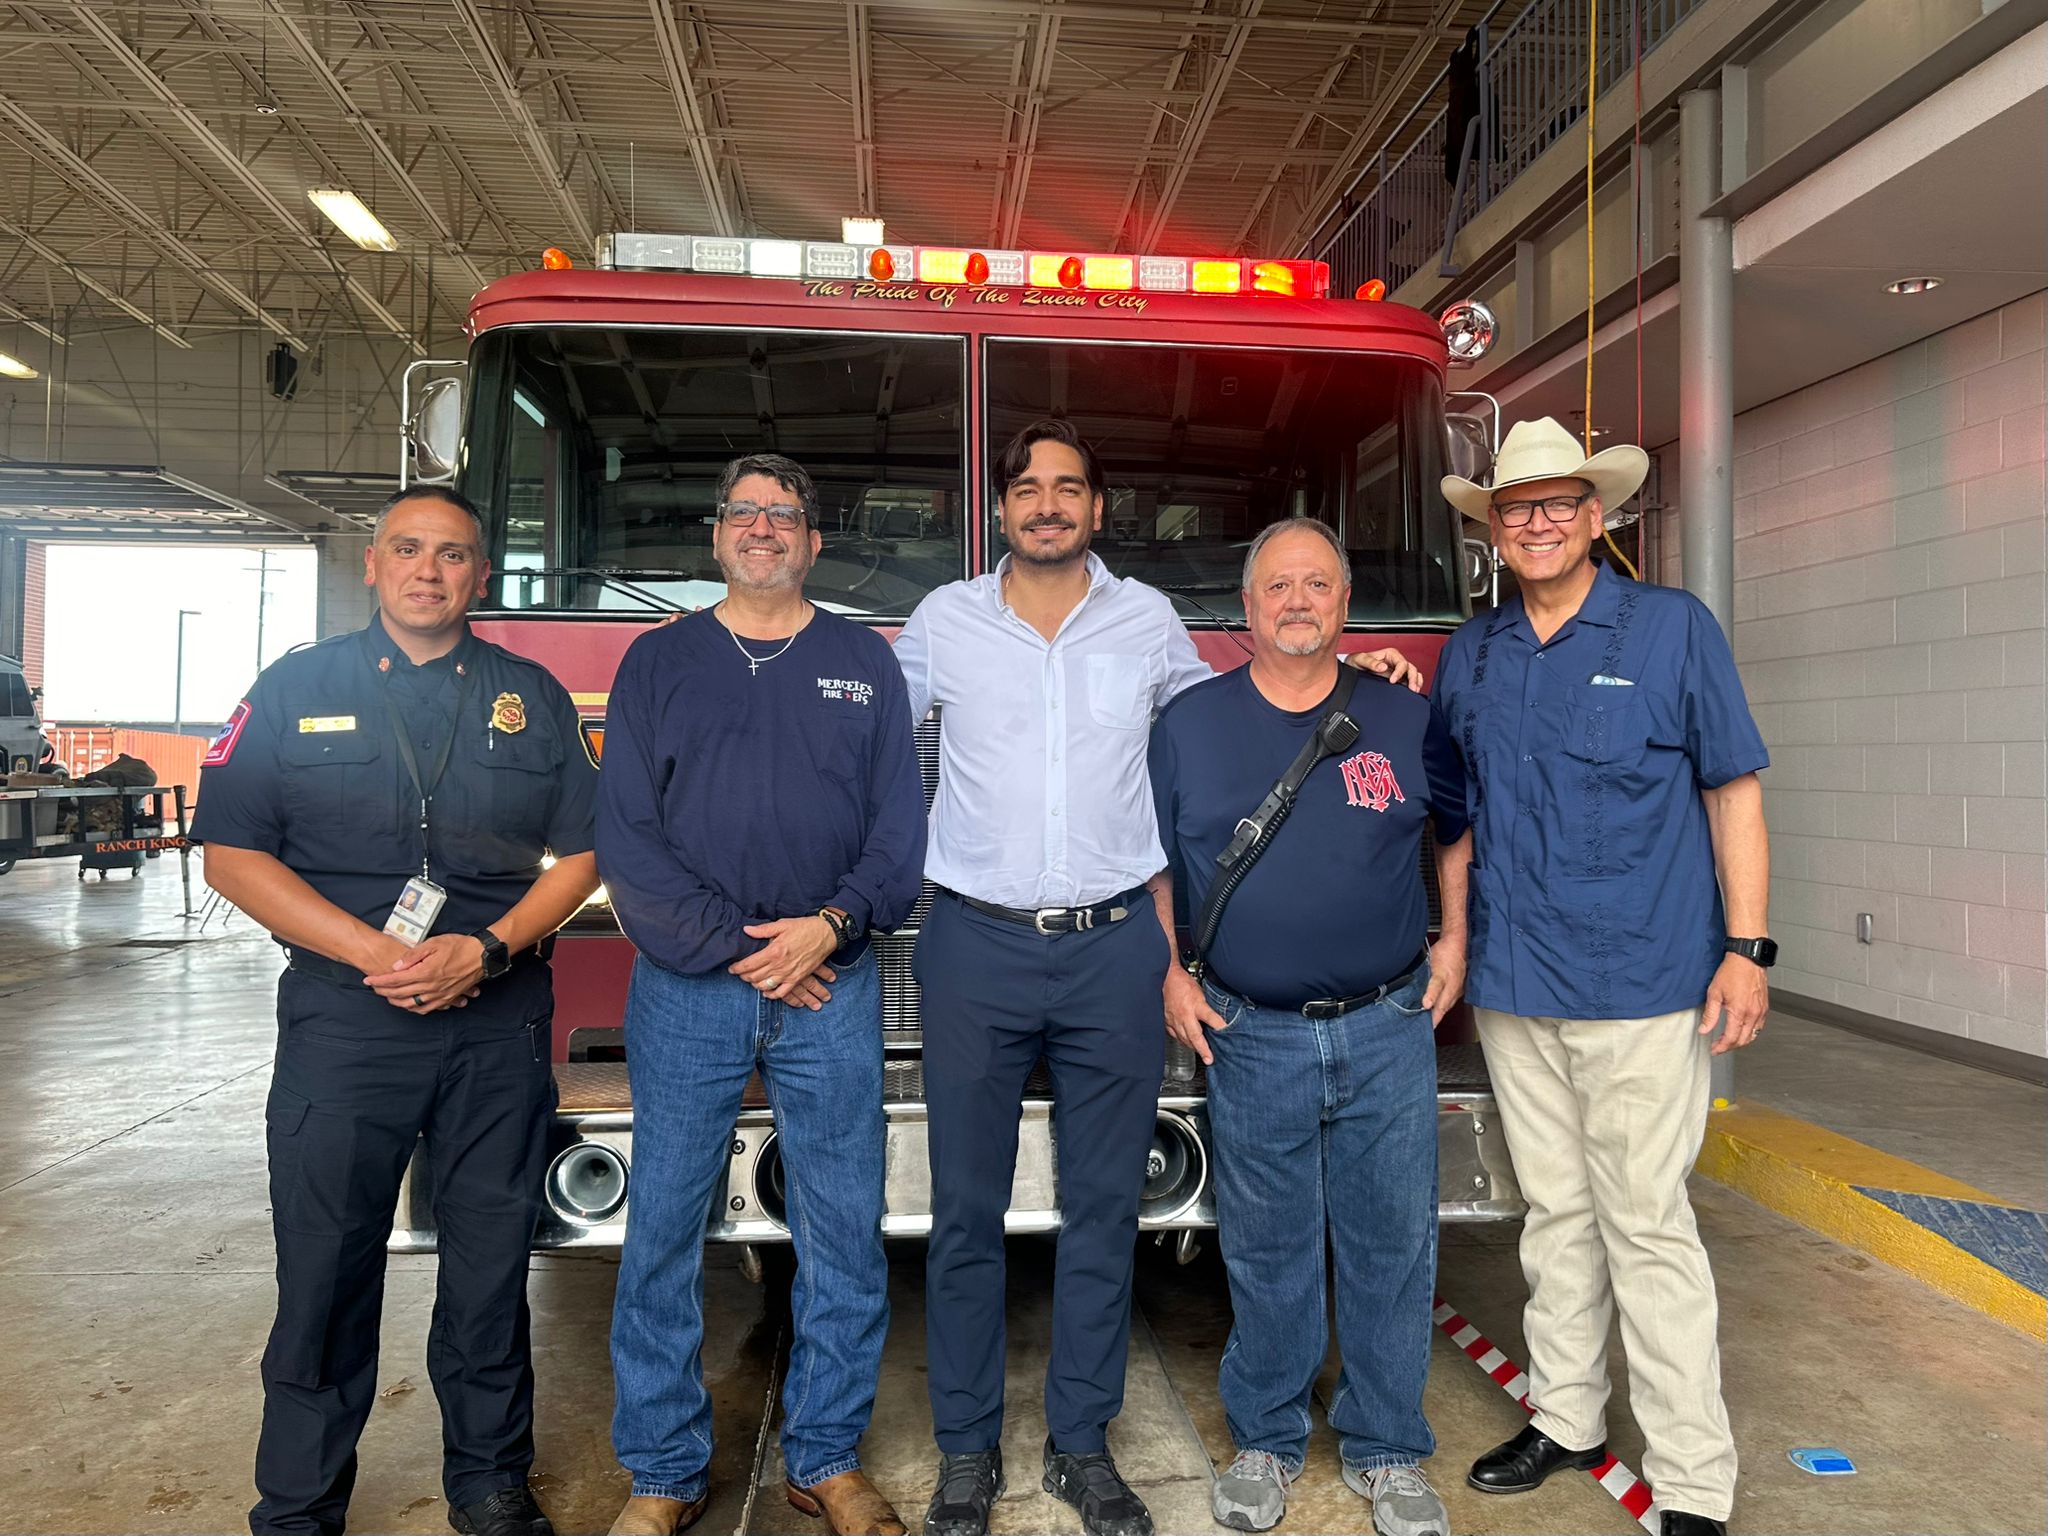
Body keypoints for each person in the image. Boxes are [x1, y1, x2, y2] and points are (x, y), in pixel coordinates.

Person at [895, 421, 1422, 1536]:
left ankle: (1080, 1449)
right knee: (962, 1215)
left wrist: (1362, 673)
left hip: (1112, 951)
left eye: (1069, 488)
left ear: (1097, 508)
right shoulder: (943, 623)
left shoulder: (1147, 624)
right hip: (972, 944)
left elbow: (1249, 704)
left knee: (1103, 1212)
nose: (1047, 504)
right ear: (1000, 510)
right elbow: (858, 746)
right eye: (1028, 489)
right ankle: (964, 1452)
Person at [193, 485, 601, 1536]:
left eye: (454, 554)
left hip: (494, 1021)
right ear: (372, 565)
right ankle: (298, 1503)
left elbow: (590, 851)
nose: (429, 570)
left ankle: (489, 1483)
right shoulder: (293, 689)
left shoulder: (530, 696)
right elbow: (234, 853)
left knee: (488, 1264)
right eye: (408, 550)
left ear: (481, 575)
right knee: (326, 1265)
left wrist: (490, 945)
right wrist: (374, 950)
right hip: (346, 1022)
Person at [1433, 417, 1772, 1536]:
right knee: (1554, 1214)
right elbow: (1452, 808)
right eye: (1512, 509)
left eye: (1555, 504)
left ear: (1596, 517)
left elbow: (1732, 791)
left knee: (1645, 1223)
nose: (1534, 523)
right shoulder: (1475, 653)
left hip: (1641, 980)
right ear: (1491, 531)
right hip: (1516, 982)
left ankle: (1688, 1480)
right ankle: (1567, 1417)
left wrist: (1746, 947)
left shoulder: (1672, 629)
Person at [596, 453, 926, 1536]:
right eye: (745, 513)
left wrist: (827, 927)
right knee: (660, 1233)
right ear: (716, 537)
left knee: (844, 1231)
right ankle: (661, 1472)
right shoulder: (658, 662)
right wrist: (742, 951)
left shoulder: (861, 662)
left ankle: (826, 1459)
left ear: (812, 542)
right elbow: (628, 843)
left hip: (829, 980)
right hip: (691, 990)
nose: (764, 530)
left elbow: (896, 834)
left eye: (784, 515)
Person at [1149, 518, 1472, 1536]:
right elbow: (1156, 861)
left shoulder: (1404, 715)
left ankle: (1385, 1450)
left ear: (1343, 603)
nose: (1297, 601)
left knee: (1390, 1245)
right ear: (1245, 611)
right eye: (1276, 586)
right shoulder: (1185, 725)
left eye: (1318, 584)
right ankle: (1266, 1441)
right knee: (1268, 1246)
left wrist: (1453, 939)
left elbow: (1452, 833)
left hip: (1385, 1026)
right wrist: (1165, 971)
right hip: (1249, 1032)